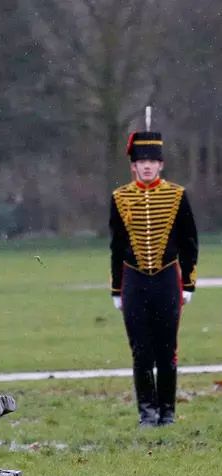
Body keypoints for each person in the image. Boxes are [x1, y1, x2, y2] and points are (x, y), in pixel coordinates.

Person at [109, 127, 198, 427]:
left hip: (166, 282)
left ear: (161, 164)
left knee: (166, 349)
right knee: (141, 350)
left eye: (152, 160)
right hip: (134, 282)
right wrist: (116, 289)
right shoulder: (120, 198)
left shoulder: (177, 196)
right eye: (141, 160)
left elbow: (189, 243)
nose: (147, 165)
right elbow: (117, 246)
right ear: (133, 166)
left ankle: (167, 412)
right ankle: (147, 412)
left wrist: (188, 283)